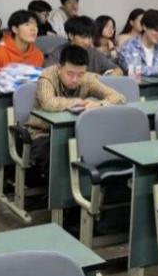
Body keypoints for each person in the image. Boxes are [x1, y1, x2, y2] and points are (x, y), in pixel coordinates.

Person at [26, 46, 126, 179]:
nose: (75, 79)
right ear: (59, 69)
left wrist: (99, 104)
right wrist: (75, 102)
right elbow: (48, 102)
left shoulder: (87, 78)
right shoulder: (47, 77)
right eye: (70, 74)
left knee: (98, 148)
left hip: (74, 132)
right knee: (59, 157)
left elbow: (119, 97)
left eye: (80, 74)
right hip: (42, 132)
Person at [45, 16, 121, 75]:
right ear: (71, 35)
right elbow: (49, 75)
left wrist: (110, 76)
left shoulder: (93, 53)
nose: (87, 42)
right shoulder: (57, 54)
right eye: (83, 37)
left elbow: (118, 70)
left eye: (90, 37)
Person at [118, 9, 158, 77]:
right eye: (156, 30)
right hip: (136, 83)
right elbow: (133, 69)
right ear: (144, 27)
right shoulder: (130, 46)